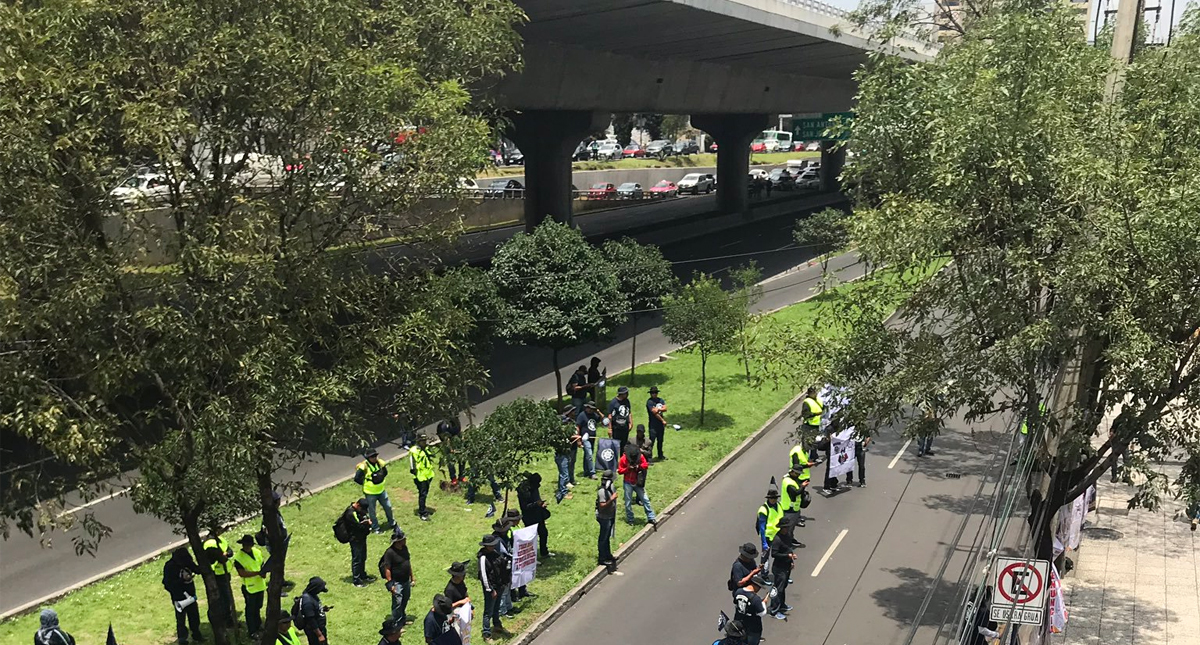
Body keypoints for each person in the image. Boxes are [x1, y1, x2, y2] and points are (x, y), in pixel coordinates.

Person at [162, 547, 204, 645]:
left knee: (194, 616)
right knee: (181, 620)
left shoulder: (187, 562)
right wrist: (181, 581)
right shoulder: (170, 566)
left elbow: (196, 569)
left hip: (190, 595)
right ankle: (182, 639)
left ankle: (196, 634)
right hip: (179, 597)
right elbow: (167, 584)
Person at [233, 533, 268, 639]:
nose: (247, 546)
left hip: (260, 585)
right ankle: (252, 631)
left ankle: (258, 625)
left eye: (249, 544)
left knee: (258, 607)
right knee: (250, 610)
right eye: (245, 544)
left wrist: (264, 571)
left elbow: (261, 563)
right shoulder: (238, 557)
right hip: (249, 587)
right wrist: (257, 573)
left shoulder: (257, 552)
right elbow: (242, 573)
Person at [201, 528, 237, 629]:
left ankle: (227, 617)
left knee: (226, 597)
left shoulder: (220, 540)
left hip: (225, 573)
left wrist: (226, 554)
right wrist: (222, 556)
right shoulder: (210, 543)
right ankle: (226, 620)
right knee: (224, 598)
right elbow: (213, 558)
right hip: (218, 574)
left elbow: (230, 551)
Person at [356, 449, 397, 534]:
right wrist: (366, 483)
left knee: (388, 507)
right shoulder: (364, 466)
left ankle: (392, 523)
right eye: (372, 457)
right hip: (370, 493)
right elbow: (357, 478)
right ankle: (375, 527)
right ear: (368, 458)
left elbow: (385, 472)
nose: (374, 458)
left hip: (381, 490)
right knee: (372, 511)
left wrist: (379, 478)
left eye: (375, 456)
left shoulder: (380, 462)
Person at [477, 534, 508, 640]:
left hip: (499, 585)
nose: (493, 547)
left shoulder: (494, 553)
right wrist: (490, 589)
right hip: (491, 588)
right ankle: (486, 633)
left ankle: (497, 625)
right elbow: (483, 576)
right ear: (486, 546)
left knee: (496, 608)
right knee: (488, 611)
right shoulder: (483, 558)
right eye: (490, 545)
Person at [618, 444, 656, 526]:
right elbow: (620, 471)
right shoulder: (623, 459)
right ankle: (630, 519)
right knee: (628, 502)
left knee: (645, 500)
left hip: (638, 481)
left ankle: (651, 517)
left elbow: (645, 465)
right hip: (627, 482)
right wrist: (628, 468)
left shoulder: (640, 457)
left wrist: (638, 466)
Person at [382, 528, 415, 624]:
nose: (405, 540)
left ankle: (402, 618)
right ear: (398, 542)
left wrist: (412, 577)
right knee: (397, 602)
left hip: (405, 580)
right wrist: (390, 583)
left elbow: (408, 563)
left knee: (405, 598)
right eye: (403, 539)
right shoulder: (389, 552)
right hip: (396, 582)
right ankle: (396, 622)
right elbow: (387, 568)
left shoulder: (404, 548)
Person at [517, 472, 553, 557]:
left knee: (543, 533)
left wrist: (541, 504)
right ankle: (531, 556)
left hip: (538, 515)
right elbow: (524, 507)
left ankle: (544, 552)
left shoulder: (534, 487)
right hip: (529, 517)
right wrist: (536, 504)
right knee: (531, 537)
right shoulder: (524, 491)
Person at [341, 497, 373, 587]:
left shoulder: (357, 511)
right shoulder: (350, 513)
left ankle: (363, 575)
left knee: (363, 557)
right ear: (358, 505)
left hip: (361, 538)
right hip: (355, 539)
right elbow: (358, 526)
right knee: (357, 559)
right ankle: (356, 580)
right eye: (362, 509)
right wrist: (367, 523)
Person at [766, 525, 796, 619]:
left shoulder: (787, 536)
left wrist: (791, 561)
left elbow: (789, 549)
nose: (787, 529)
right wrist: (787, 556)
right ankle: (774, 610)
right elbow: (774, 554)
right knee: (778, 589)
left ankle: (782, 605)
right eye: (785, 527)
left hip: (786, 566)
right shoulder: (777, 539)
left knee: (783, 587)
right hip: (779, 568)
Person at [755, 482, 785, 571]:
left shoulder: (779, 505)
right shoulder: (764, 510)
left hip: (779, 535)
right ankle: (764, 574)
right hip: (768, 537)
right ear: (768, 498)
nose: (774, 500)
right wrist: (764, 542)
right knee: (765, 557)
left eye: (775, 498)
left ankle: (781, 571)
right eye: (772, 498)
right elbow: (762, 527)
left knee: (780, 554)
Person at [553, 406, 580, 503]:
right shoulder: (560, 434)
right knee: (563, 474)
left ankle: (563, 490)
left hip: (565, 454)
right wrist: (576, 436)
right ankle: (563, 492)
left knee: (563, 474)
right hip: (561, 455)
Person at [733, 575, 769, 645]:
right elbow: (762, 613)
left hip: (740, 623)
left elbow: (735, 602)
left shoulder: (738, 591)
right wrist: (764, 603)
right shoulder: (755, 598)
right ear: (756, 586)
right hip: (753, 626)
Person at [780, 465, 808, 548]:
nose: (798, 475)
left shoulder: (792, 479)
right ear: (792, 472)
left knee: (791, 527)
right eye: (797, 473)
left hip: (794, 508)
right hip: (789, 509)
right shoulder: (789, 483)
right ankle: (787, 543)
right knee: (788, 528)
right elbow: (795, 493)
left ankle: (790, 540)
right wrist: (802, 487)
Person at [410, 435, 436, 521]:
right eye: (422, 441)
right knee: (422, 494)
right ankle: (422, 513)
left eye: (425, 440)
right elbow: (412, 465)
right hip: (420, 477)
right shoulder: (414, 451)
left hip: (427, 474)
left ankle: (423, 508)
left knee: (425, 493)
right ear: (418, 441)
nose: (424, 442)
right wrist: (415, 474)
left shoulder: (425, 448)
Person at [297, 577, 330, 645]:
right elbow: (310, 619)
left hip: (320, 628)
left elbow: (313, 611)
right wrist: (319, 635)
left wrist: (322, 609)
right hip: (314, 632)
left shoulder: (312, 595)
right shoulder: (307, 602)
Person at [596, 470, 618, 568]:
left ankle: (608, 555)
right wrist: (612, 499)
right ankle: (602, 558)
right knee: (603, 538)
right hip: (604, 517)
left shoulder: (611, 487)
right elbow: (602, 505)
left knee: (607, 536)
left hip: (610, 515)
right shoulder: (602, 491)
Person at [576, 402, 602, 480]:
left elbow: (602, 418)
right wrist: (578, 439)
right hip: (585, 438)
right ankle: (592, 472)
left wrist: (598, 411)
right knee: (589, 455)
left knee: (587, 455)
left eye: (592, 409)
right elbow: (577, 427)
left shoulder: (594, 415)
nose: (590, 410)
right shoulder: (582, 415)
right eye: (589, 408)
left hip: (592, 438)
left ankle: (586, 471)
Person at [436, 419, 463, 485]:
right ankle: (453, 478)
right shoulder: (442, 427)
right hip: (448, 443)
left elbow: (460, 435)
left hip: (455, 439)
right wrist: (450, 449)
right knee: (450, 460)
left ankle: (462, 476)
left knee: (462, 459)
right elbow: (445, 440)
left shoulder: (456, 424)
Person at [607, 386, 633, 452]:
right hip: (616, 428)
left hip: (625, 427)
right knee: (616, 445)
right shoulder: (613, 402)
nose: (627, 394)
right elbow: (610, 416)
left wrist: (631, 422)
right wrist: (610, 428)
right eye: (625, 393)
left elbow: (629, 412)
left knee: (624, 446)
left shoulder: (627, 401)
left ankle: (622, 461)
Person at [646, 386, 667, 460]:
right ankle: (649, 457)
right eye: (652, 393)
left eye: (655, 393)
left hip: (660, 425)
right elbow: (654, 413)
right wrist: (662, 420)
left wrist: (658, 409)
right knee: (651, 441)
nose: (654, 394)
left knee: (660, 440)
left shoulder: (660, 400)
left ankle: (660, 455)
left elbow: (665, 408)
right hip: (653, 425)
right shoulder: (649, 402)